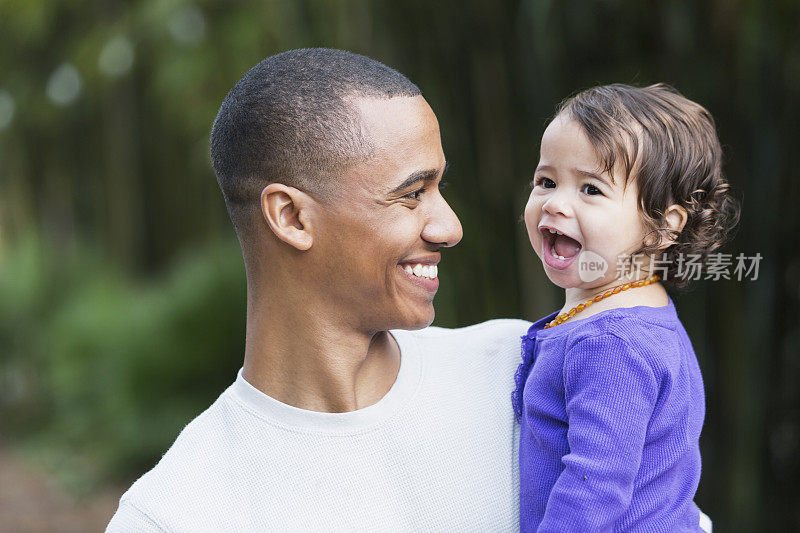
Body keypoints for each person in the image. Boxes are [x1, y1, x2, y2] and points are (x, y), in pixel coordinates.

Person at [106, 48, 530, 531]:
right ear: (291, 217)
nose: (449, 227)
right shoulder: (175, 514)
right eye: (413, 193)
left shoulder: (527, 375)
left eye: (440, 188)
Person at [512, 84, 739, 531]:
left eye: (591, 189)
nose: (555, 203)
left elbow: (593, 490)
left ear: (661, 227)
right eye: (546, 181)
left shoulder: (612, 344)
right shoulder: (640, 314)